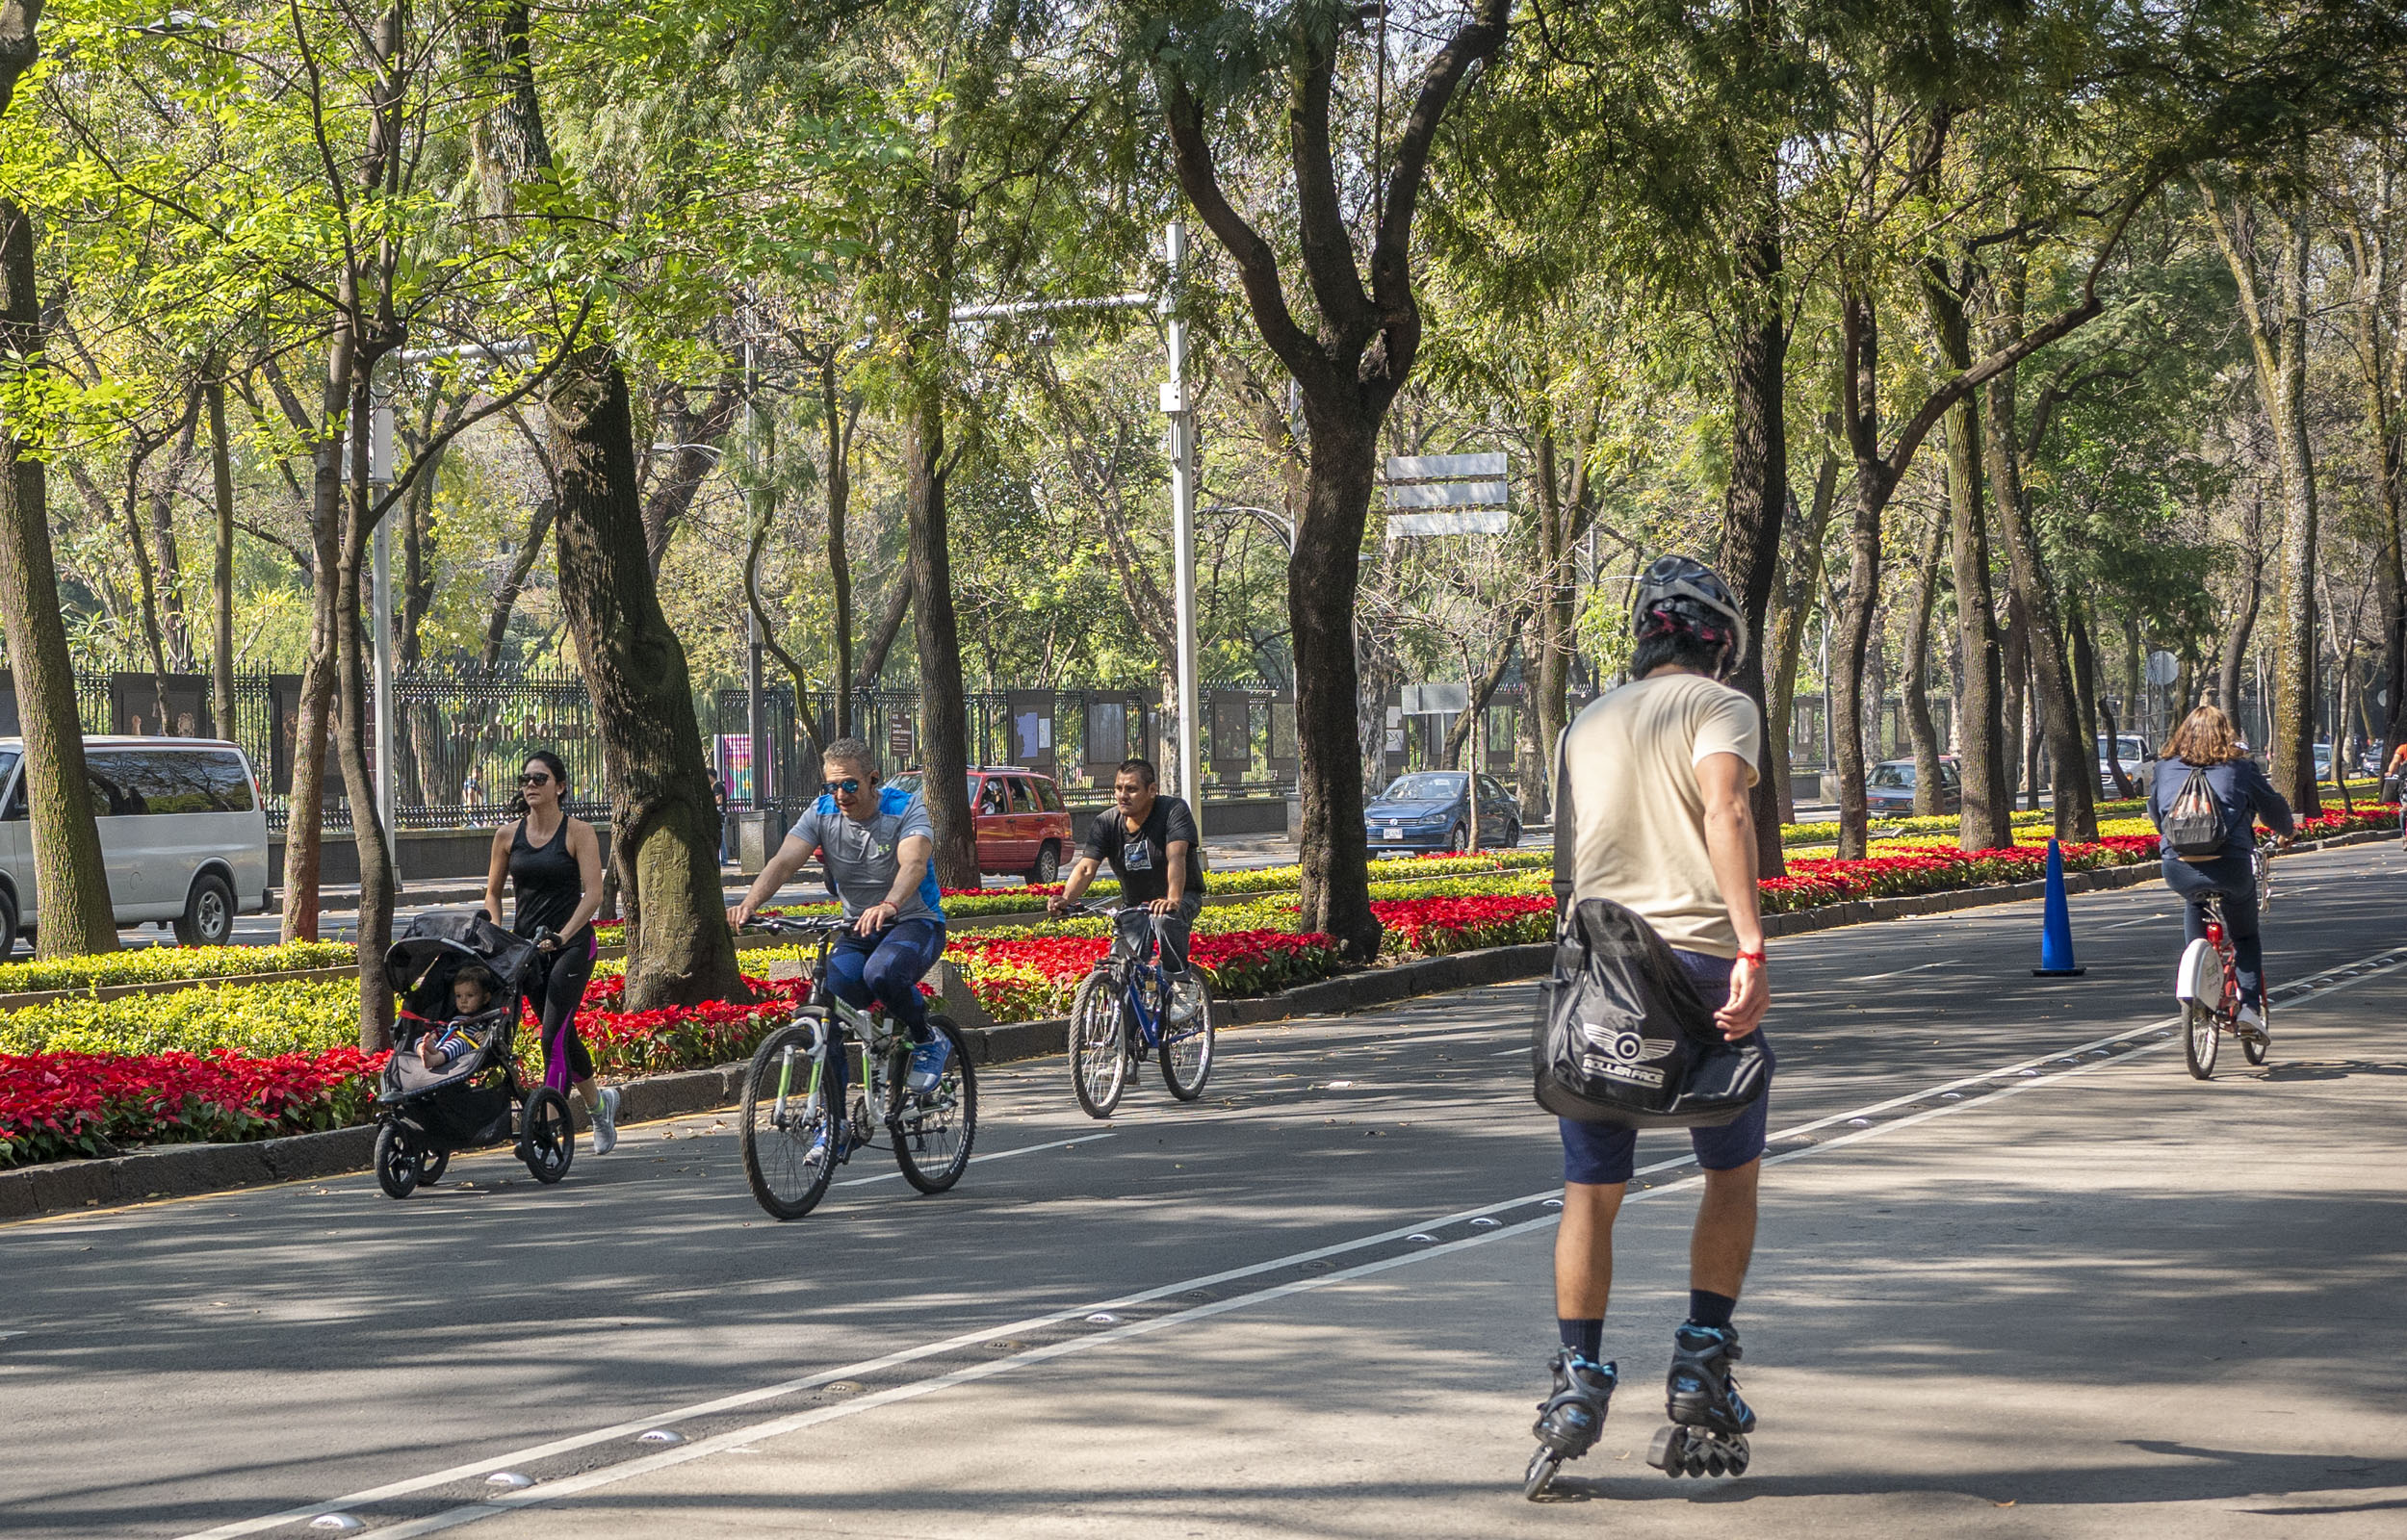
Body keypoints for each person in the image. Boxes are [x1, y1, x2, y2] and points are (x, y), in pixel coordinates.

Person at [1529, 554, 1773, 1493]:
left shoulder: (1585, 720)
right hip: (1702, 970)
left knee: (1590, 1191)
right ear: (1718, 638)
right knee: (1728, 1170)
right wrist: (1749, 942)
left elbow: (1571, 861)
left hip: (1599, 975)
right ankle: (1700, 1356)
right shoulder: (1719, 705)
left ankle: (1577, 1382)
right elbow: (1726, 807)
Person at [728, 738, 949, 1161]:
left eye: (849, 785)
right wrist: (750, 904)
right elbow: (783, 861)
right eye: (832, 786)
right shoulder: (823, 811)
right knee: (822, 1007)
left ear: (872, 780)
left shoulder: (905, 810)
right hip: (856, 927)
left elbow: (913, 865)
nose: (840, 795)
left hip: (913, 922)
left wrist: (889, 904)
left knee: (881, 975)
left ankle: (927, 1039)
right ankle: (836, 1122)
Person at [482, 750, 619, 1153]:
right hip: (527, 953)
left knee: (550, 1039)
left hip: (572, 947)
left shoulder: (579, 833)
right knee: (563, 1035)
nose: (530, 785)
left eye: (539, 779)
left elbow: (593, 895)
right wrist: (491, 930)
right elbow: (493, 895)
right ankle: (599, 1106)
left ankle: (545, 1128)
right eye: (525, 779)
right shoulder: (507, 836)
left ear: (560, 786)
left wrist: (561, 936)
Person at [2148, 704, 2293, 1035]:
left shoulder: (2164, 769)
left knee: (2194, 901)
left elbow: (2159, 817)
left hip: (2178, 867)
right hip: (2231, 866)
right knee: (2245, 936)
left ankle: (2197, 977)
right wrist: (2288, 831)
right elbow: (2273, 810)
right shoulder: (2241, 769)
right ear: (2225, 734)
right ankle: (2250, 1010)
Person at [1048, 758, 1206, 991]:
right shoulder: (1106, 823)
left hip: (1181, 897)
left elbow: (1177, 856)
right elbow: (1086, 868)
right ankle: (1125, 1023)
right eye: (1118, 788)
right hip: (1135, 905)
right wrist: (1065, 899)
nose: (1123, 795)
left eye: (1131, 789)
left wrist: (1172, 898)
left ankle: (1180, 984)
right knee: (1121, 972)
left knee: (1164, 919)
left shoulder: (1173, 810)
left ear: (1152, 791)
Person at [423, 966, 501, 1069]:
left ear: (485, 998)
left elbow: (492, 1032)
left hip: (467, 1045)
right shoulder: (456, 1017)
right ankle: (424, 1050)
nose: (463, 1001)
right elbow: (446, 1028)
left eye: (470, 995)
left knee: (458, 1044)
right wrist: (434, 1035)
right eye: (458, 996)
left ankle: (435, 1059)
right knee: (421, 1039)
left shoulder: (485, 1017)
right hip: (445, 1040)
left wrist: (484, 1036)